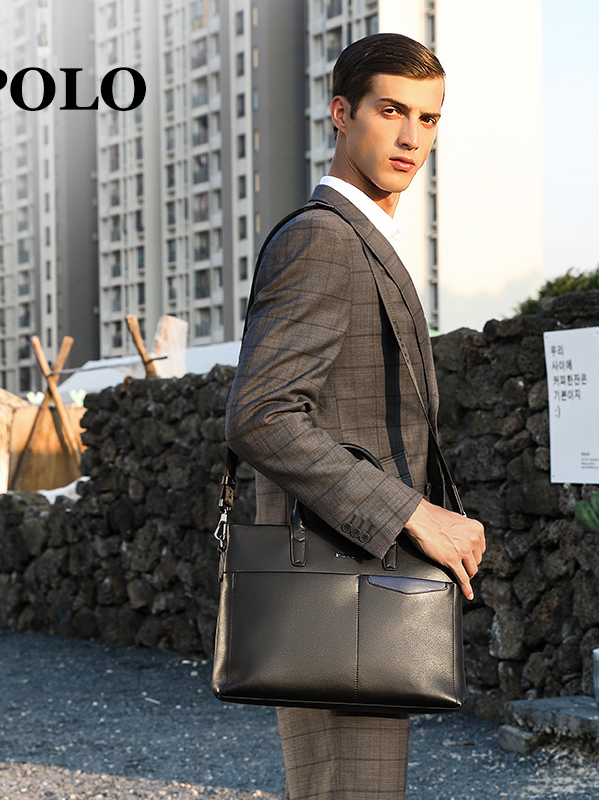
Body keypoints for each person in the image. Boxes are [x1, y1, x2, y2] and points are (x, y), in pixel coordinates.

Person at [225, 32, 486, 800]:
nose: (412, 137)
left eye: (429, 119)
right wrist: (413, 513)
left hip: (359, 588)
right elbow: (262, 415)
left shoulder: (367, 239)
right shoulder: (324, 239)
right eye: (391, 111)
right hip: (339, 586)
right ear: (342, 113)